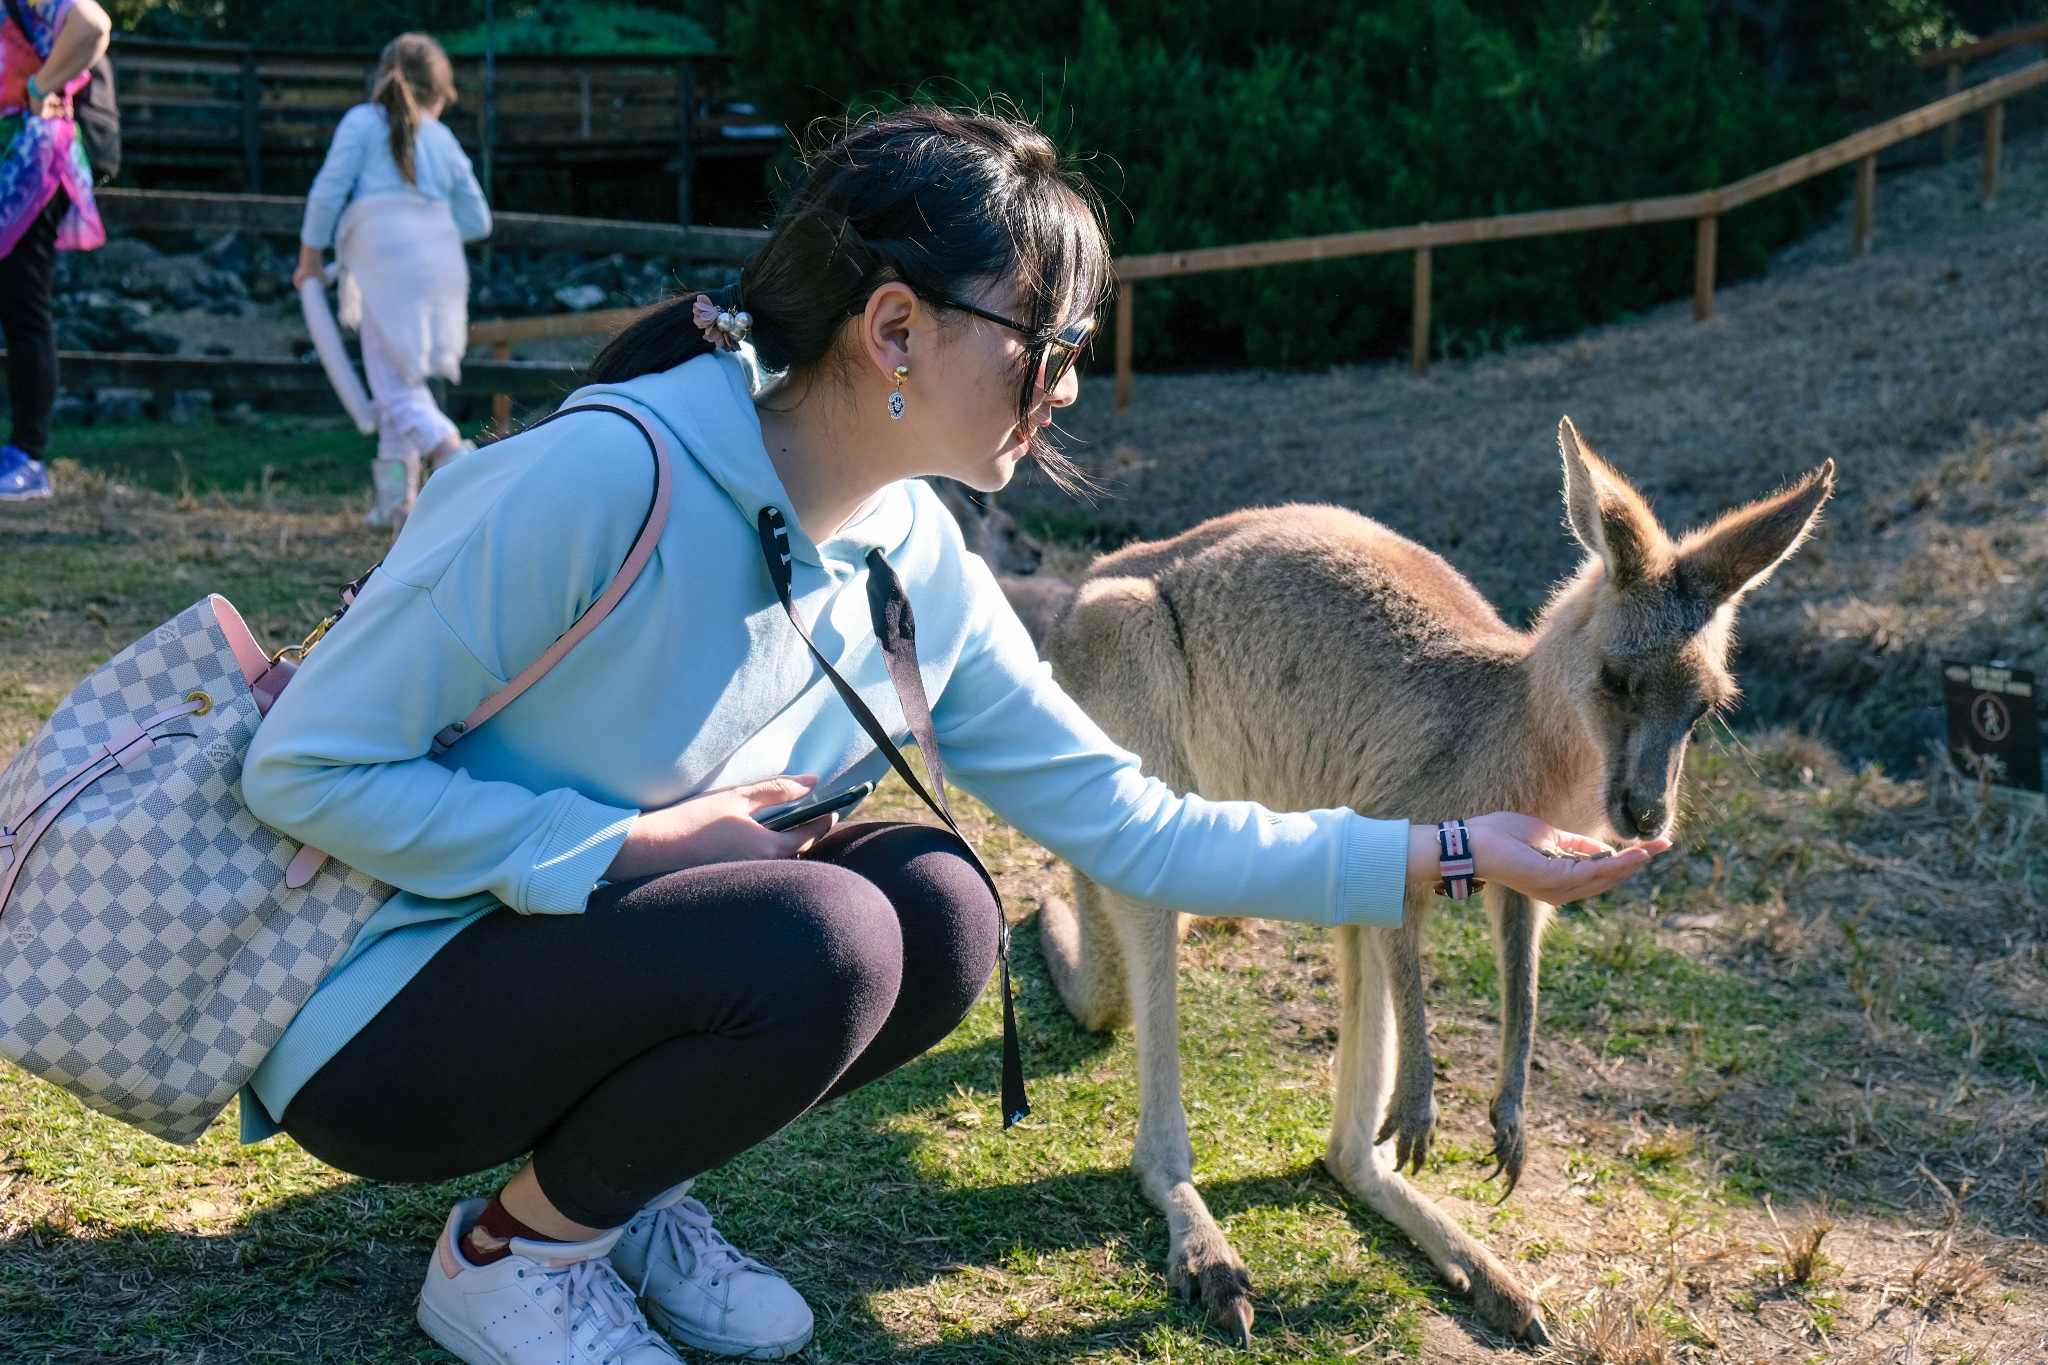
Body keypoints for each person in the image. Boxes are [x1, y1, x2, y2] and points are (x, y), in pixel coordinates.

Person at [240, 107, 1668, 1365]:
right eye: (1046, 348)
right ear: (897, 329)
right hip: (380, 1015)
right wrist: (626, 845)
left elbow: (1133, 825)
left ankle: (618, 1195)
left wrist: (1454, 853)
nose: (1063, 390)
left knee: (941, 908)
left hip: (580, 960)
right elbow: (299, 768)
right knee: (827, 934)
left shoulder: (914, 552)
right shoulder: (600, 476)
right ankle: (510, 1262)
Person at [292, 31, 488, 530]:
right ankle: (396, 504)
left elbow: (327, 192)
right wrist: (430, 228)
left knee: (396, 389)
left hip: (385, 261)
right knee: (403, 381)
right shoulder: (442, 138)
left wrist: (311, 257)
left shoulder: (362, 122)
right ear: (439, 95)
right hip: (440, 269)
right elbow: (477, 220)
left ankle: (457, 460)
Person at [0, 0, 109, 501]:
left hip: (28, 161)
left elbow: (93, 24)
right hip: (20, 156)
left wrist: (41, 87)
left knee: (24, 305)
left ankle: (27, 456)